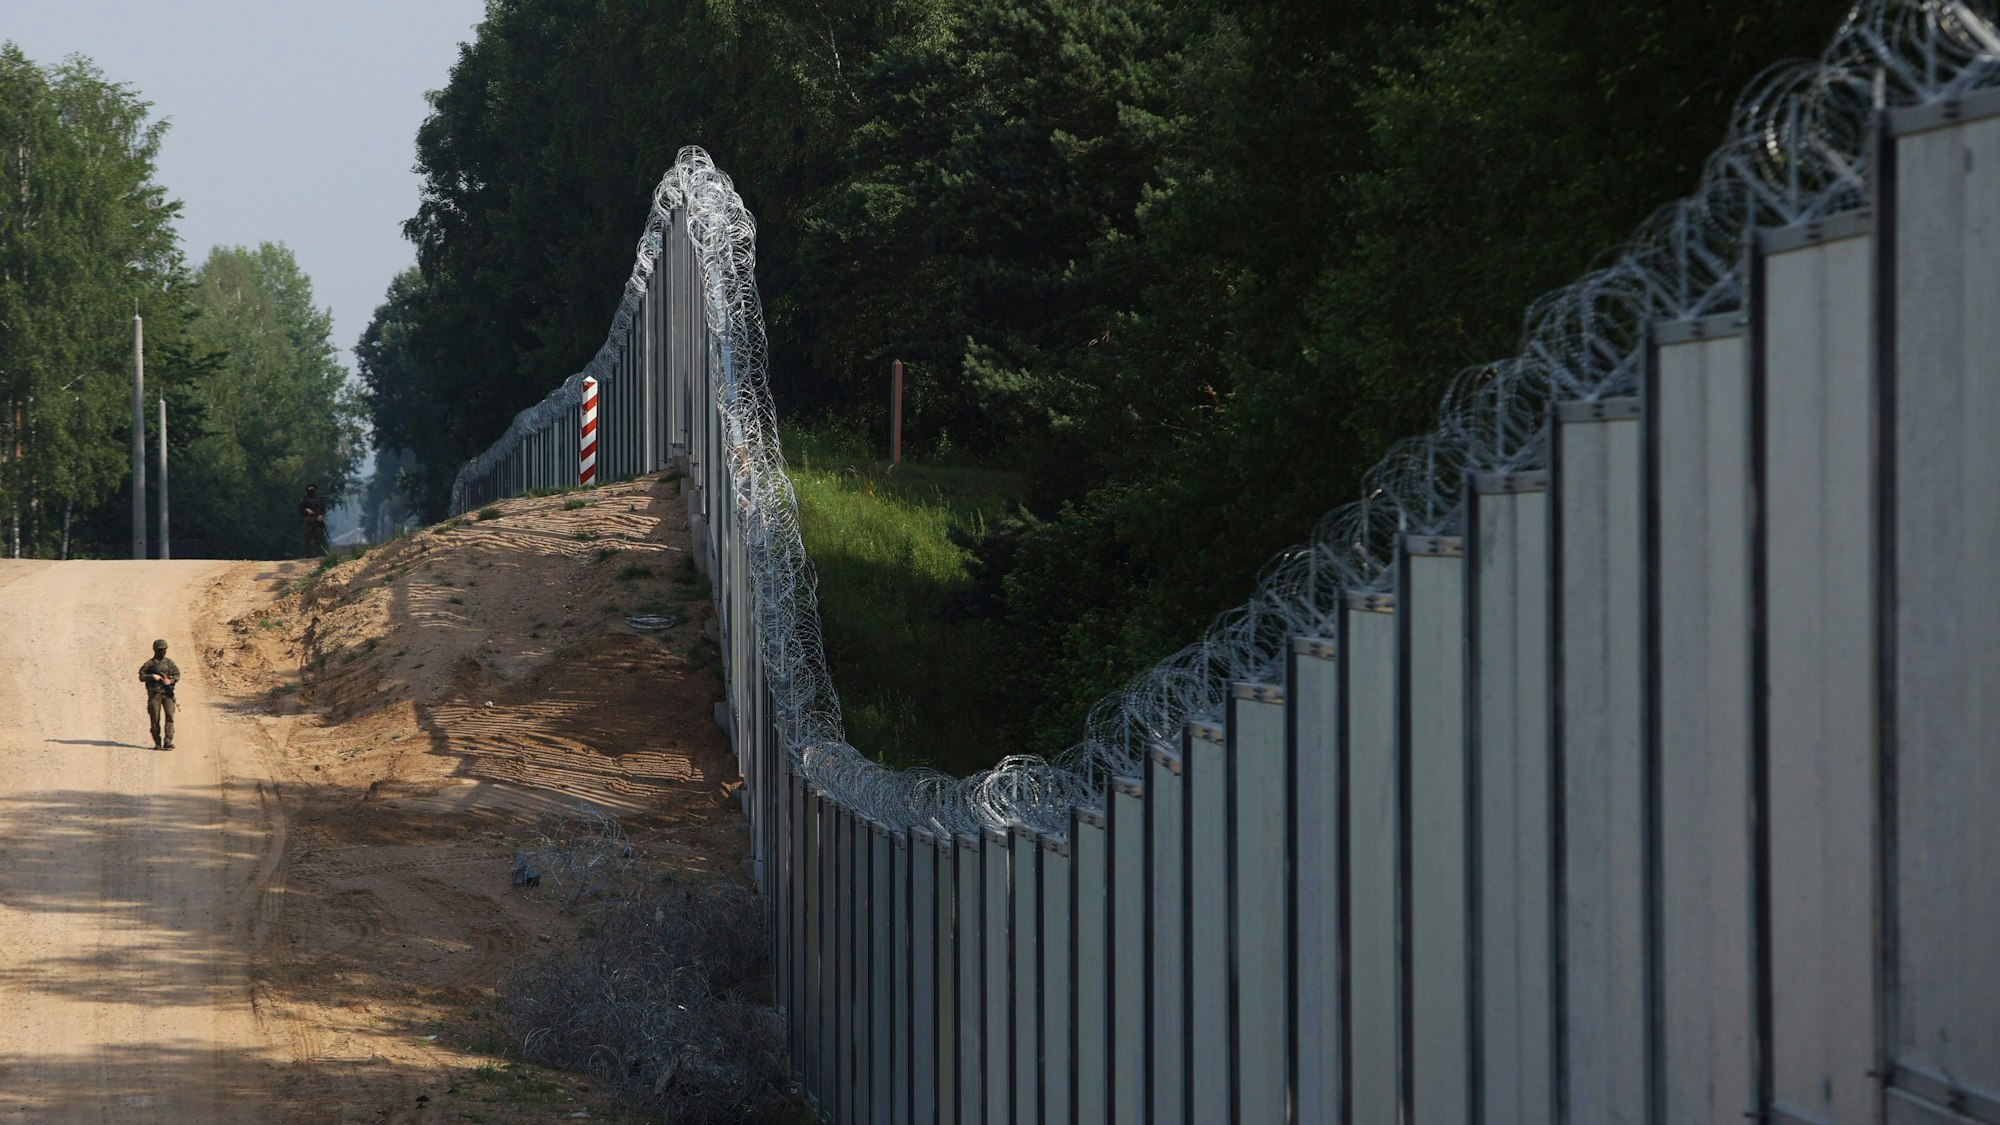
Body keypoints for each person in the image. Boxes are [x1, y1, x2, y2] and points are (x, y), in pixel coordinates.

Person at [138, 638, 179, 750]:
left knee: (170, 716)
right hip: (154, 695)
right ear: (155, 650)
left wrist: (170, 681)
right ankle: (157, 742)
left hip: (167, 694)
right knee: (155, 718)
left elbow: (177, 674)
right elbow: (141, 676)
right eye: (161, 650)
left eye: (164, 649)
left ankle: (168, 741)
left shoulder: (169, 663)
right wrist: (152, 676)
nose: (163, 652)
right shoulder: (149, 664)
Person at [300, 483, 328, 556]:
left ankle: (319, 554)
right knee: (307, 538)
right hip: (308, 520)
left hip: (317, 520)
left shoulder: (319, 499)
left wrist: (321, 515)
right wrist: (306, 510)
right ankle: (308, 554)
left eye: (312, 489)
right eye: (310, 490)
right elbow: (300, 510)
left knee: (318, 538)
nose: (311, 491)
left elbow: (323, 509)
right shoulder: (304, 500)